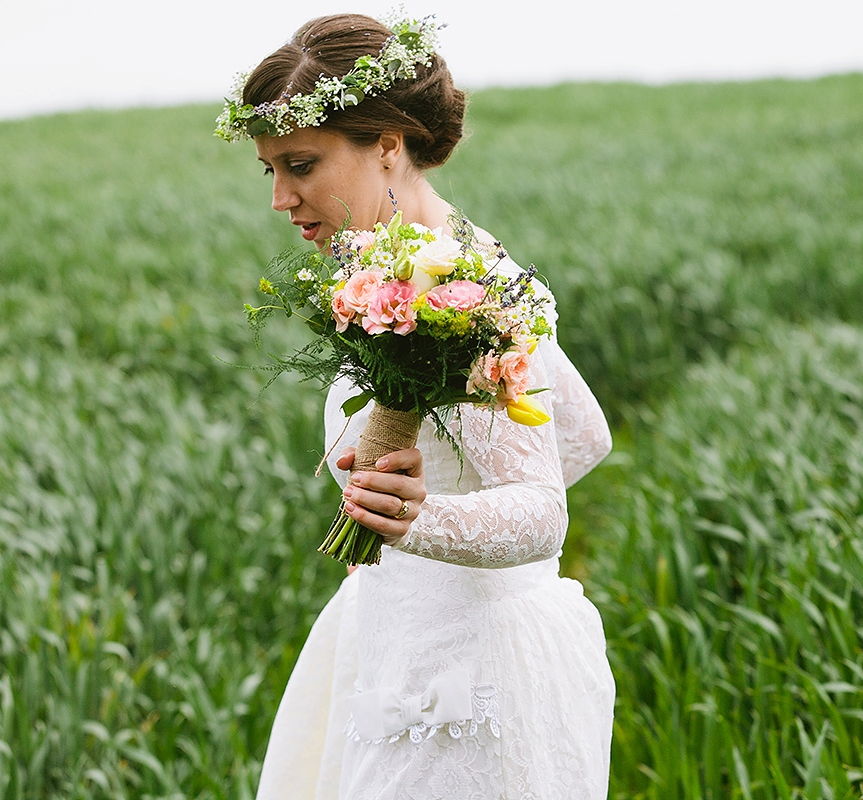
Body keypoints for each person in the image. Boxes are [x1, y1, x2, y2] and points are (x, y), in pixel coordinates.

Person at [223, 13, 615, 799]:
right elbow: (586, 435)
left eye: (300, 164)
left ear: (389, 145)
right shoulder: (415, 260)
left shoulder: (469, 290)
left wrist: (416, 519)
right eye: (269, 170)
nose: (280, 197)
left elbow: (543, 510)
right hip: (397, 630)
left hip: (467, 681)